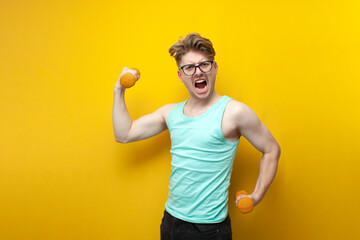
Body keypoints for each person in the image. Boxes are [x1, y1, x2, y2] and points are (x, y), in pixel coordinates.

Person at [112, 33, 281, 240]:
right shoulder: (170, 113)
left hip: (208, 229)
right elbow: (124, 134)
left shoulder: (234, 112)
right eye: (189, 67)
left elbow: (271, 149)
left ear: (215, 68)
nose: (198, 72)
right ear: (180, 75)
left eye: (204, 65)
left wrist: (256, 196)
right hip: (170, 221)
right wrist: (119, 90)